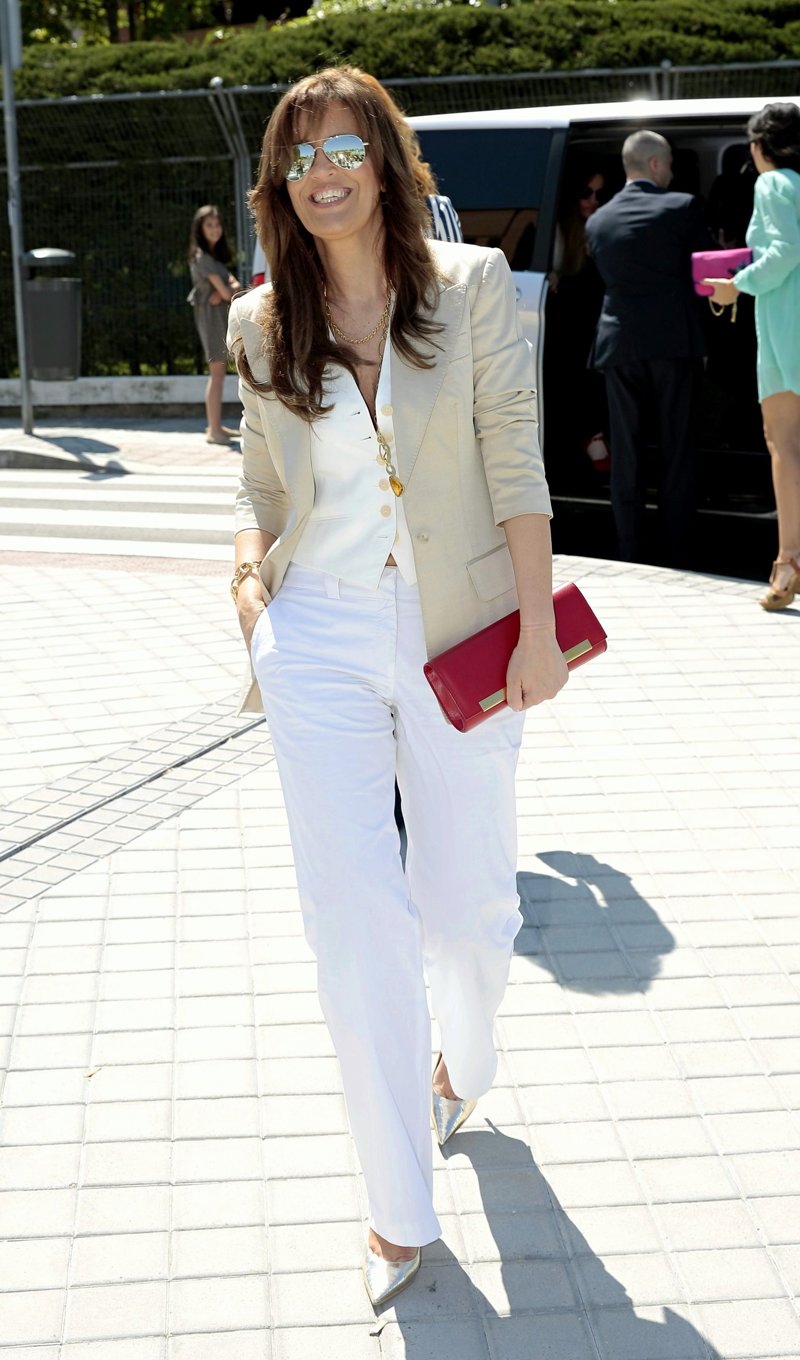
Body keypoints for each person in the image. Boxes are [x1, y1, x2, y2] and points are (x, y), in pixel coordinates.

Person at [227, 65, 567, 1307]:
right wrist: (249, 586)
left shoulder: (470, 287)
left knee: (468, 910)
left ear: (383, 161)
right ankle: (394, 1208)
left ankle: (460, 1062)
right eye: (298, 156)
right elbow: (263, 484)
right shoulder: (260, 320)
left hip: (459, 627)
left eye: (341, 150)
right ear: (279, 184)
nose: (321, 173)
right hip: (316, 631)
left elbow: (514, 457)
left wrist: (537, 626)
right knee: (351, 917)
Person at [586, 130, 713, 566]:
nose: (671, 171)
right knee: (677, 449)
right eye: (670, 163)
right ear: (656, 164)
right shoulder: (682, 207)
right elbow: (708, 273)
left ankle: (630, 552)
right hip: (674, 342)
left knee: (627, 453)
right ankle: (680, 554)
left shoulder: (597, 220)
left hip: (619, 344)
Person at [702, 102, 800, 610]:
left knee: (784, 445)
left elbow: (784, 251)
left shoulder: (774, 183)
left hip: (788, 331)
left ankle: (788, 562)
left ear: (760, 146)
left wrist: (735, 285)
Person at [544, 158, 610, 479]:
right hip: (565, 329)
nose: (593, 201)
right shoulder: (555, 232)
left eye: (599, 194)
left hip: (592, 325)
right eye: (586, 193)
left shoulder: (600, 227)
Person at [187, 204, 241, 445]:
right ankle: (214, 431)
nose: (215, 229)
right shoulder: (203, 257)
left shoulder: (212, 257)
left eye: (217, 224)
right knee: (217, 373)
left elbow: (232, 286)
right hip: (210, 318)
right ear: (200, 228)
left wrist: (227, 289)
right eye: (209, 225)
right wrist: (228, 289)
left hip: (217, 316)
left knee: (218, 373)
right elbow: (230, 291)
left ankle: (215, 426)